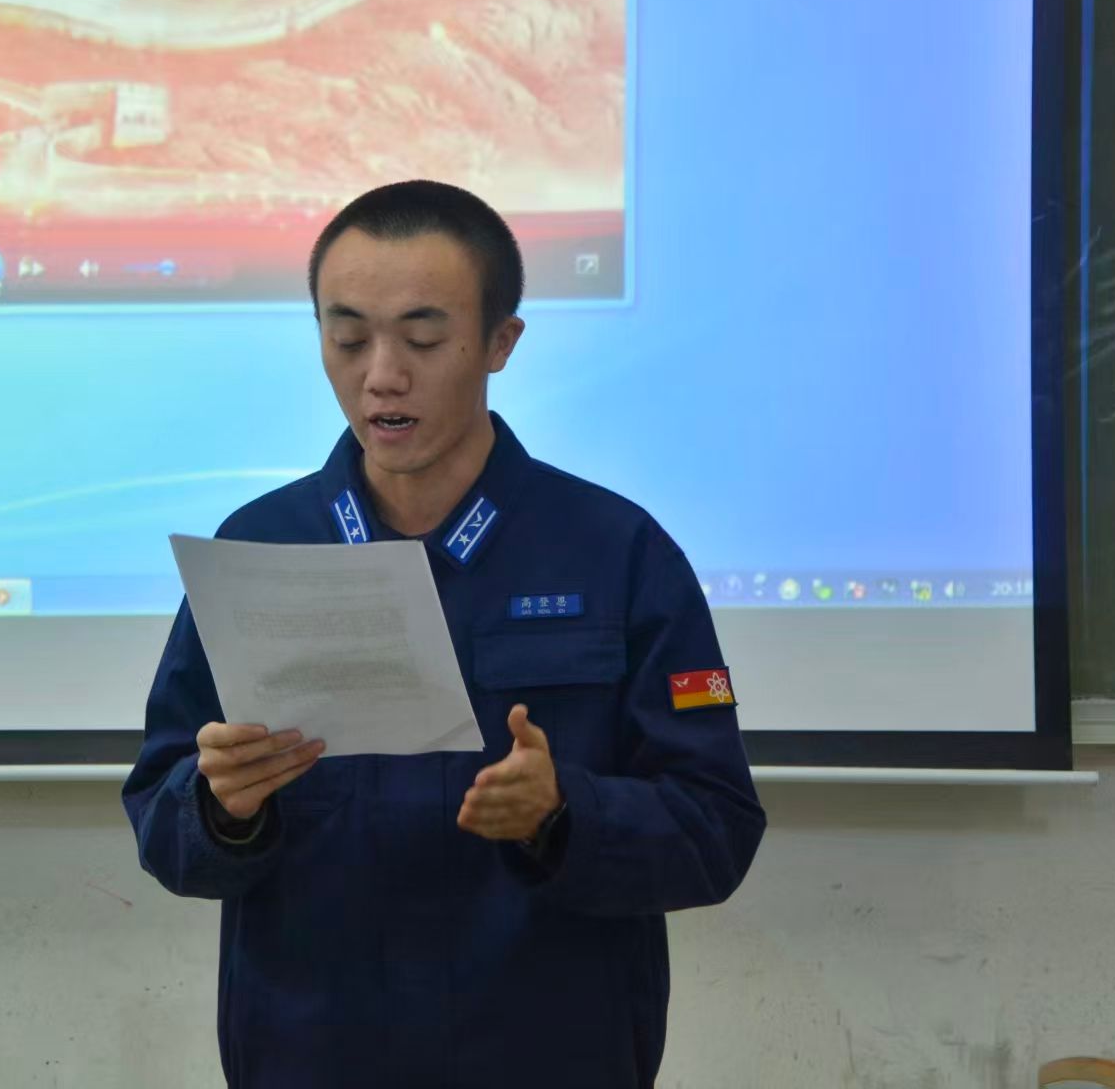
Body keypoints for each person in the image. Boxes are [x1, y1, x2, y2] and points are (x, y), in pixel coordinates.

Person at [122, 180, 765, 1088]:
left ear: (502, 342)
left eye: (422, 340)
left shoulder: (619, 553)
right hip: (313, 1057)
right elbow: (161, 816)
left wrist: (564, 814)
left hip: (549, 1058)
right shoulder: (260, 549)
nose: (382, 374)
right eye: (348, 338)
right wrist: (222, 809)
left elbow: (717, 830)